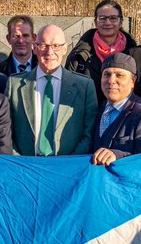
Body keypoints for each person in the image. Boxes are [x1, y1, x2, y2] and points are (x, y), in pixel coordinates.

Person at [7, 25, 98, 156]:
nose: (49, 52)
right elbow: (6, 131)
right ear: (35, 48)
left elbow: (89, 133)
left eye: (56, 46)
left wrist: (66, 164)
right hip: (26, 167)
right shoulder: (14, 85)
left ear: (65, 48)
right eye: (44, 45)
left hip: (66, 168)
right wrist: (21, 161)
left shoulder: (84, 86)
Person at [91, 53, 141, 165]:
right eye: (107, 74)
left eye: (119, 75)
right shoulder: (100, 108)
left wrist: (117, 155)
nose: (111, 81)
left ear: (132, 81)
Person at [66, 0, 138, 104]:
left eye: (113, 18)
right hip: (89, 116)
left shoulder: (134, 53)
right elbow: (69, 90)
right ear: (95, 22)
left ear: (121, 21)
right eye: (102, 18)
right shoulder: (79, 55)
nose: (107, 23)